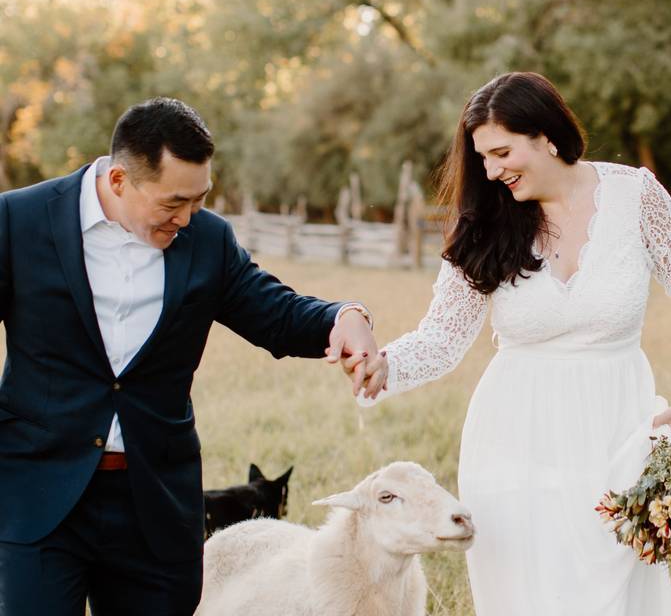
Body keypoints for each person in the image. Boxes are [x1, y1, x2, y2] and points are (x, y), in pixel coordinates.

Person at [349, 72, 671, 615]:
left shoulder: (635, 195)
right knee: (528, 590)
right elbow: (443, 336)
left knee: (613, 586)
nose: (492, 170)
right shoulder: (488, 221)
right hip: (515, 433)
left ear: (546, 135)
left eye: (502, 151)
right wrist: (385, 366)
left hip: (616, 425)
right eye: (482, 158)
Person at [0, 97, 385, 616]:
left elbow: (274, 312)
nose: (186, 218)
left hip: (154, 505)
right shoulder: (17, 220)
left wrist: (345, 316)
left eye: (199, 200)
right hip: (39, 500)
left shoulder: (207, 239)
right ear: (119, 181)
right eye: (172, 203)